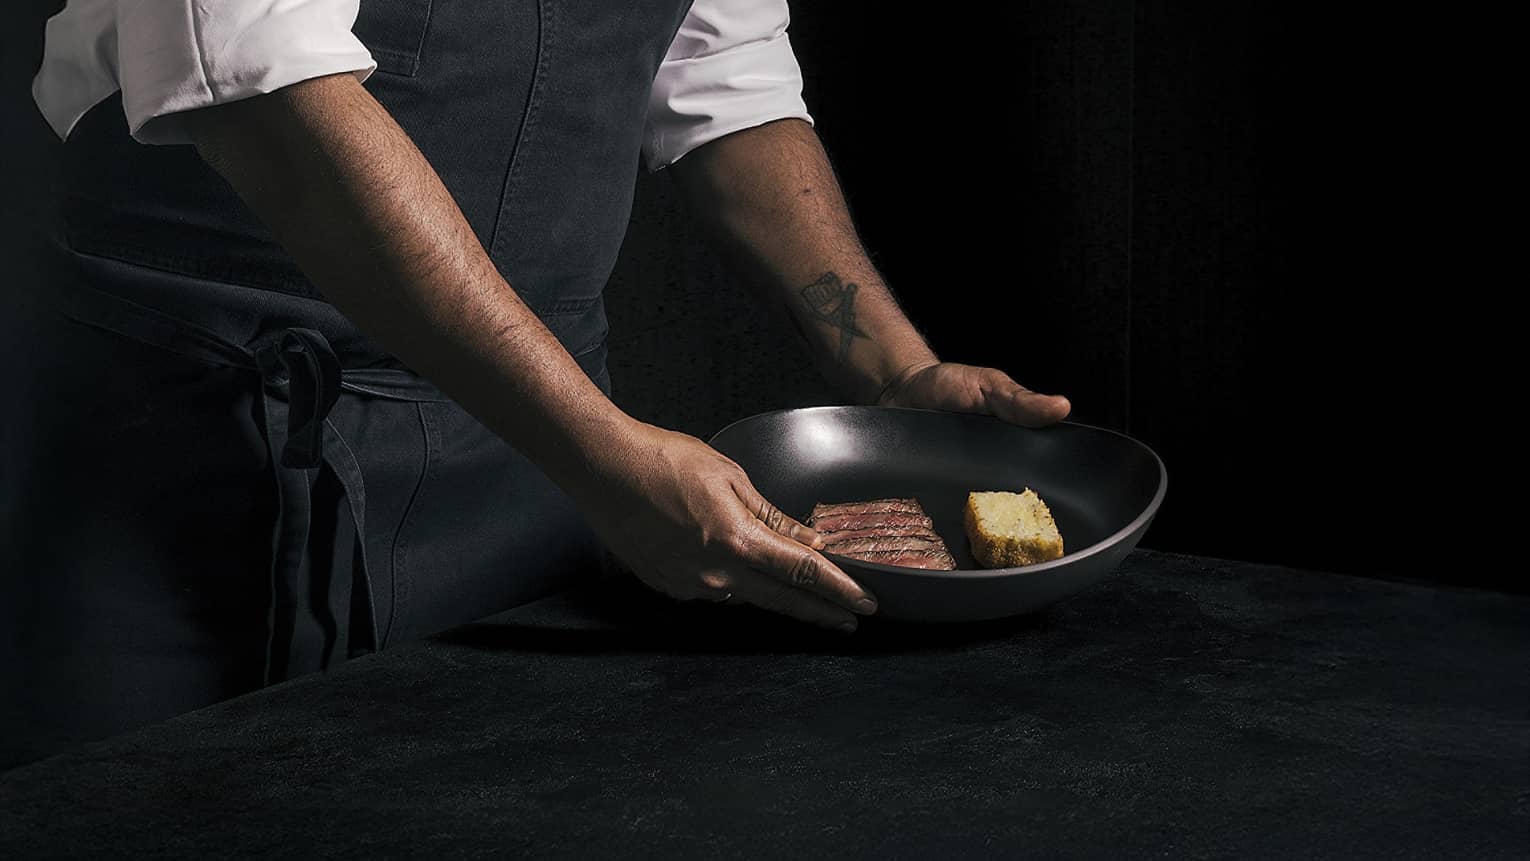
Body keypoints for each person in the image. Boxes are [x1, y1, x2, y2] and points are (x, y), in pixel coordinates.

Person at [1, 0, 1070, 767]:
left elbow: (724, 67)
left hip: (536, 473)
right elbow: (270, 102)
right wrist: (604, 452)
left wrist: (895, 364)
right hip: (188, 457)